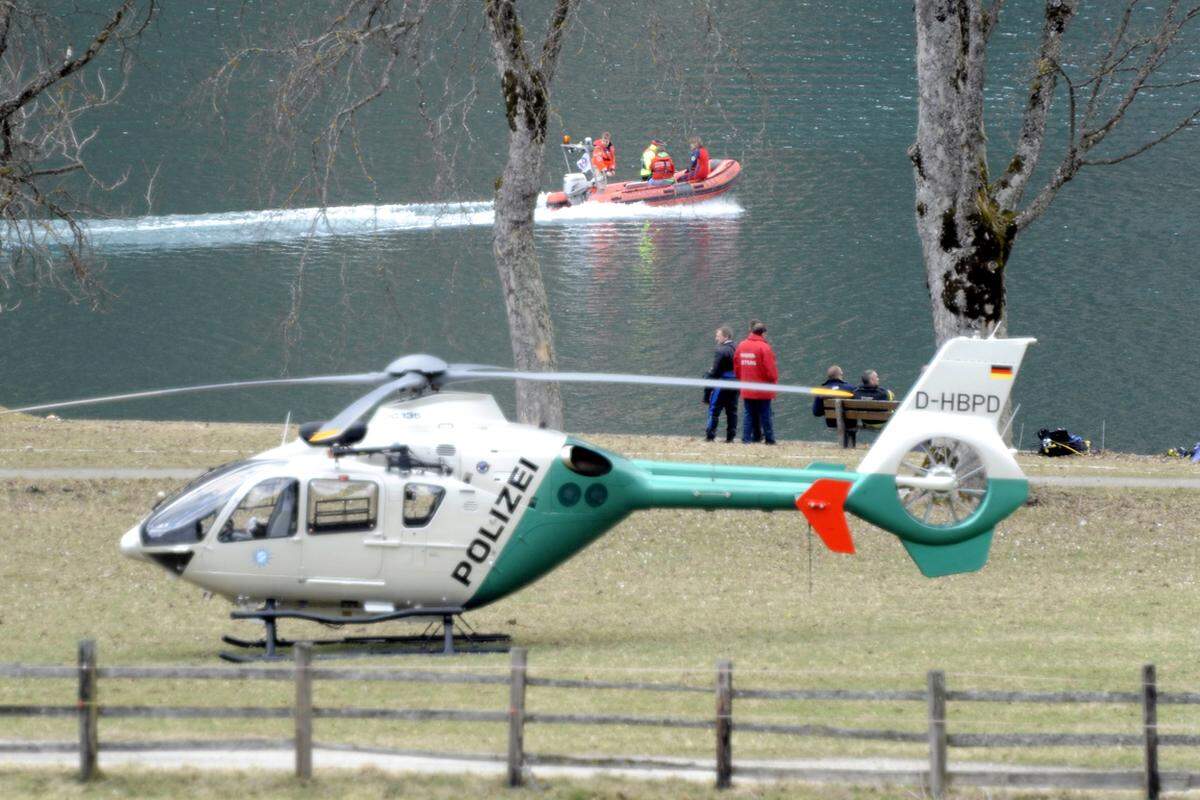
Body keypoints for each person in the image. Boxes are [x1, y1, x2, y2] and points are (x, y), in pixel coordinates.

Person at [733, 320, 778, 445]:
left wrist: (741, 378)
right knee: (765, 414)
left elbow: (736, 366)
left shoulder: (741, 346)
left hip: (747, 387)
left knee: (748, 414)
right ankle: (769, 439)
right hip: (763, 388)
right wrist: (773, 381)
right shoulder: (764, 347)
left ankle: (746, 439)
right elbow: (771, 371)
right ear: (763, 333)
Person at [703, 326, 738, 442]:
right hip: (736, 384)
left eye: (718, 336)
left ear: (726, 336)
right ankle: (730, 437)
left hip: (723, 383)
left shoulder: (721, 350)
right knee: (732, 411)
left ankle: (710, 436)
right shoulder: (737, 347)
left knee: (714, 410)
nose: (716, 338)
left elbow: (716, 371)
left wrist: (708, 378)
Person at [813, 364, 858, 444]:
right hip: (849, 422)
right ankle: (851, 443)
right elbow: (857, 408)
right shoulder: (850, 388)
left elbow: (816, 412)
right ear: (840, 375)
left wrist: (828, 411)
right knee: (851, 419)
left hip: (832, 422)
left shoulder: (821, 390)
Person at [853, 369, 895, 434]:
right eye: (877, 377)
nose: (878, 379)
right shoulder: (884, 393)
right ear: (871, 380)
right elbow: (891, 400)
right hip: (883, 423)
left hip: (866, 422)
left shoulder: (856, 392)